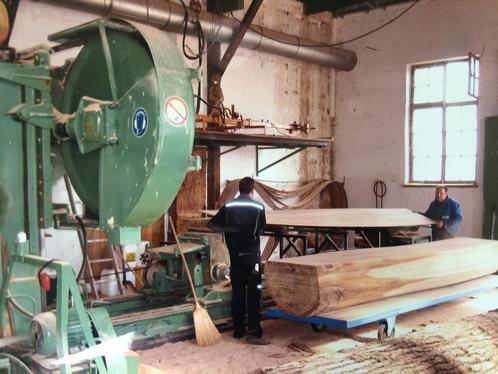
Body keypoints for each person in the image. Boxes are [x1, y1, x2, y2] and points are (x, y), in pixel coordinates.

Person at [208, 177, 269, 345]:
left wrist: (231, 230)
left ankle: (239, 330)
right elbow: (262, 229)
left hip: (235, 259)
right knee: (254, 295)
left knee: (238, 295)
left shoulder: (228, 207)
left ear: (239, 189)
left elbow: (212, 225)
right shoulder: (258, 207)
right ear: (252, 190)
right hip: (252, 259)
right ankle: (254, 333)